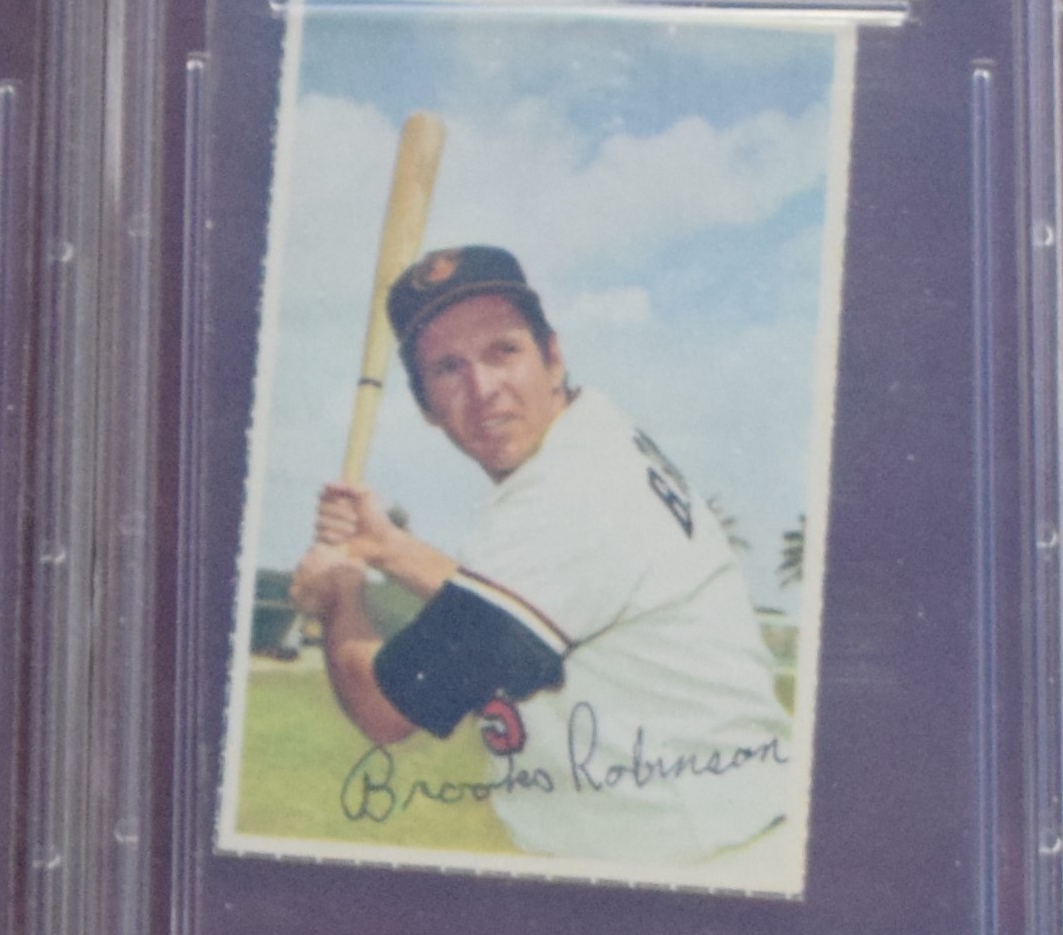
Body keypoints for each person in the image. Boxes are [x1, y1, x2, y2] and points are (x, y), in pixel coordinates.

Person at [285, 245, 797, 877]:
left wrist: (340, 593)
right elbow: (503, 616)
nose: (483, 390)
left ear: (553, 357)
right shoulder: (595, 433)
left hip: (704, 868)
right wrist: (387, 547)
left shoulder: (566, 495)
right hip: (712, 844)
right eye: (448, 368)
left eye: (504, 351)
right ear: (425, 405)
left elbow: (386, 710)